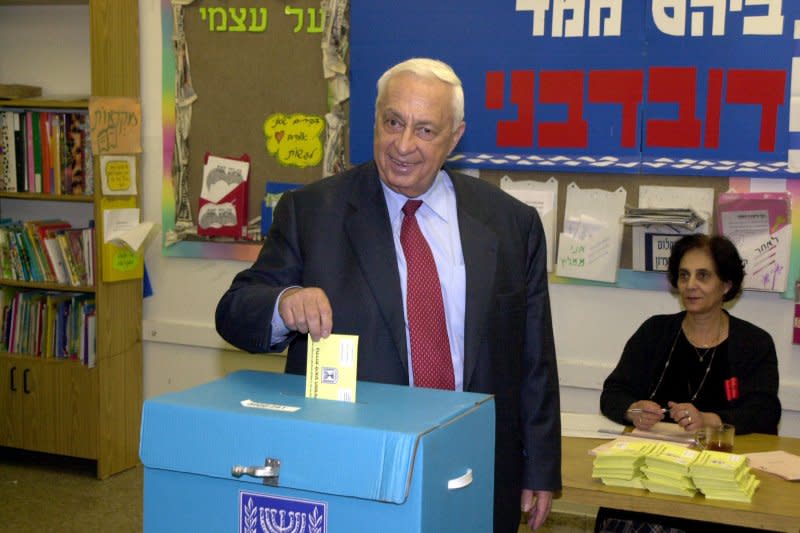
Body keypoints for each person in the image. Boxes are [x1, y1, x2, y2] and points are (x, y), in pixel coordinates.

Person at [216, 57, 562, 532]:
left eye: (424, 130)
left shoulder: (510, 223)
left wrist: (540, 467)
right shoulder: (312, 212)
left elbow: (534, 358)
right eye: (393, 122)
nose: (403, 145)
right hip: (351, 467)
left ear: (455, 137)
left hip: (475, 465)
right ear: (375, 118)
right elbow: (234, 312)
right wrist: (283, 303)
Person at [597, 234, 781, 533]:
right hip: (654, 479)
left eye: (703, 275)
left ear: (727, 285)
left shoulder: (754, 342)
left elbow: (764, 411)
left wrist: (708, 420)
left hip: (719, 483)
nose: (690, 285)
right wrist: (633, 410)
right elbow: (613, 393)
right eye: (684, 275)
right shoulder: (654, 331)